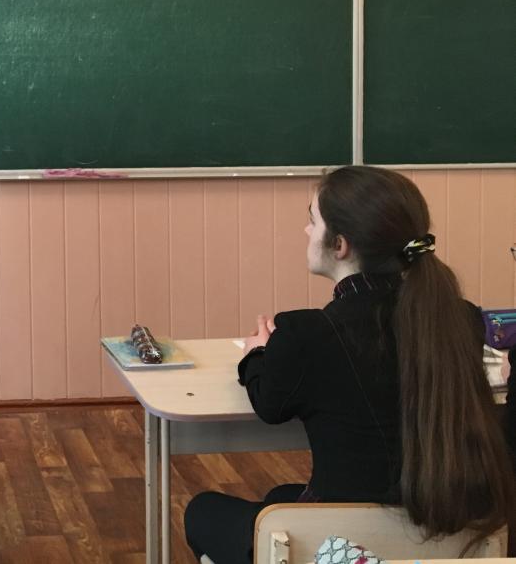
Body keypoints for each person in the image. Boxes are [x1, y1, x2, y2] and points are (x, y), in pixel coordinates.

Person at [183, 165, 514, 564]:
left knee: (201, 510)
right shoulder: (460, 320)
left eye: (313, 220)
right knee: (278, 496)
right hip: (449, 536)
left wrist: (257, 354)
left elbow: (269, 404)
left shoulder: (306, 334)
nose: (306, 230)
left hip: (344, 546)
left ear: (339, 245)